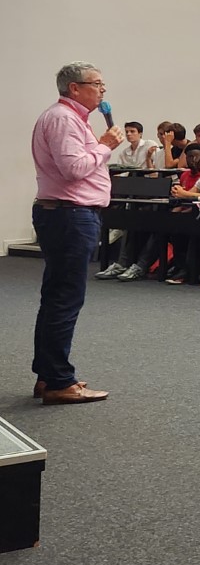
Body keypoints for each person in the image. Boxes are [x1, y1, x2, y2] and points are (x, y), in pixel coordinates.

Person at [31, 62, 123, 404]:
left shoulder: (67, 118)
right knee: (65, 299)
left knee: (57, 297)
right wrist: (104, 145)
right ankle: (58, 381)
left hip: (67, 214)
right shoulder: (64, 119)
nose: (102, 90)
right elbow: (74, 169)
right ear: (74, 88)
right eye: (96, 84)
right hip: (70, 215)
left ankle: (48, 374)